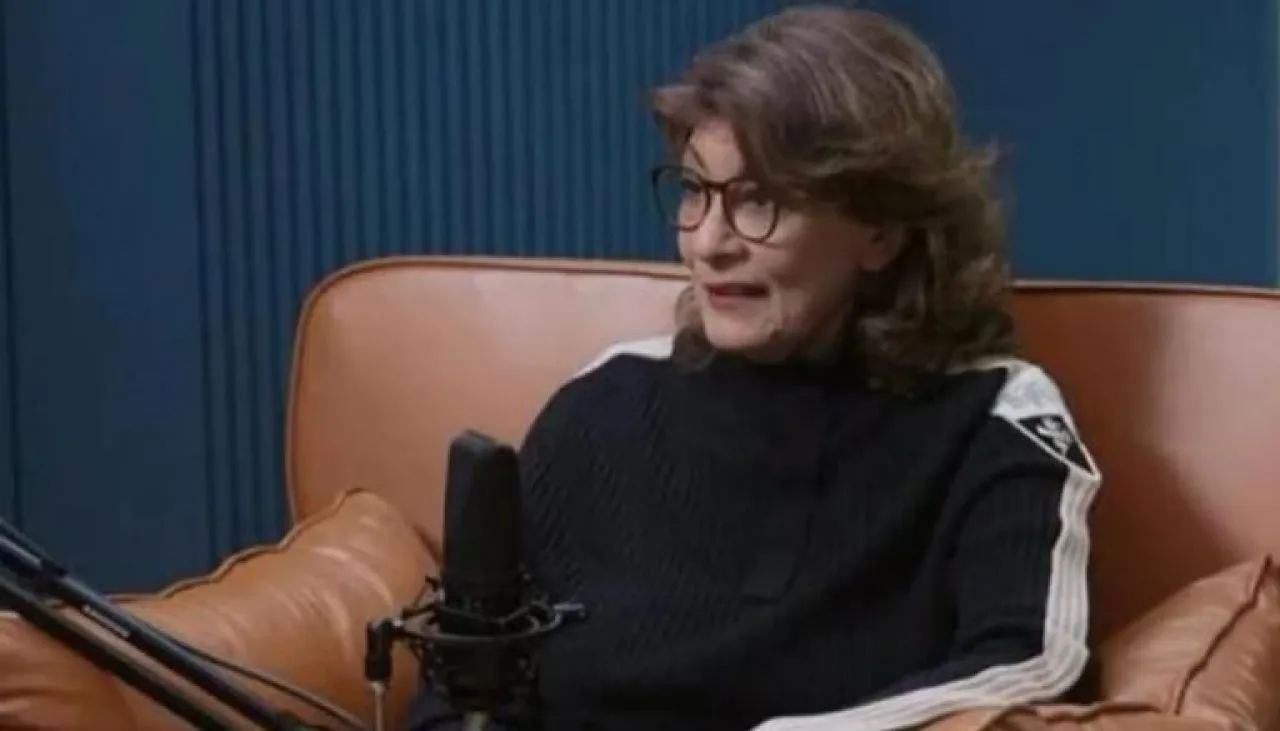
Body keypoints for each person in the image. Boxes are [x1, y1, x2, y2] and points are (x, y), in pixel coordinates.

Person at [406, 5, 1100, 731]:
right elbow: (470, 677)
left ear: (882, 231)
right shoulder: (603, 401)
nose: (708, 243)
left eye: (759, 202)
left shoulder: (994, 419)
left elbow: (1031, 667)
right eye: (694, 192)